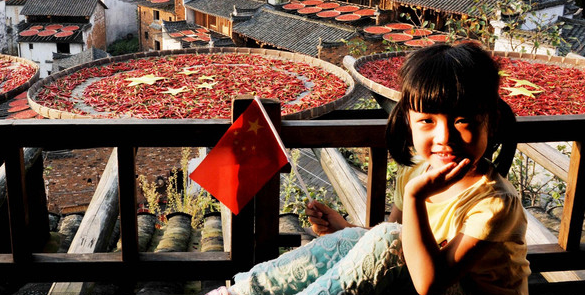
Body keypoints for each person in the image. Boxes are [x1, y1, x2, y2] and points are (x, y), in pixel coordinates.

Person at [213, 43, 530, 295]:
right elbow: (396, 241)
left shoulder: (495, 203)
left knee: (389, 237)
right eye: (427, 121)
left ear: (491, 121)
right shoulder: (416, 171)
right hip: (419, 280)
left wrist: (416, 198)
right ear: (409, 122)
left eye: (463, 121)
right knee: (360, 237)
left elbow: (429, 283)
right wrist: (345, 229)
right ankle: (241, 291)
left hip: (457, 289)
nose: (444, 137)